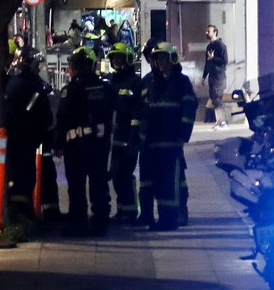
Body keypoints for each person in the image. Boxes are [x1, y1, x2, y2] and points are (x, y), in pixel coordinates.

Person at [54, 46, 114, 237]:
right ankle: (100, 222)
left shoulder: (71, 89)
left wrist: (58, 143)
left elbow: (62, 118)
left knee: (76, 186)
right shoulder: (104, 87)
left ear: (75, 68)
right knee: (98, 183)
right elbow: (112, 114)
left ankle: (78, 223)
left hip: (76, 146)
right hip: (98, 145)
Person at [138, 42, 197, 231]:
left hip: (171, 142)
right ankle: (164, 219)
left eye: (163, 58)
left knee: (169, 183)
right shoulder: (153, 83)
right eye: (158, 59)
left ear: (172, 59)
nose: (160, 62)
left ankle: (169, 220)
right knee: (159, 184)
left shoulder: (181, 82)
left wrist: (183, 135)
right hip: (154, 142)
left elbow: (189, 109)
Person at [3, 48, 53, 224]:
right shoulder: (29, 85)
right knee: (25, 176)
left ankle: (24, 211)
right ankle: (22, 213)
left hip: (20, 137)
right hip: (24, 138)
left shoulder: (16, 82)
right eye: (37, 64)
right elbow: (37, 111)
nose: (39, 68)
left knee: (22, 175)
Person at [106, 42, 143, 224]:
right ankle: (122, 210)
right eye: (114, 58)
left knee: (125, 174)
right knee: (116, 175)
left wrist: (133, 138)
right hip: (115, 137)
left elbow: (137, 112)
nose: (116, 61)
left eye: (119, 57)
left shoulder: (134, 82)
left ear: (127, 59)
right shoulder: (112, 82)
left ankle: (131, 211)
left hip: (128, 136)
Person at [202, 25, 229, 129]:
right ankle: (219, 121)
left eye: (208, 31)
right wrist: (204, 76)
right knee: (214, 99)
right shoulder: (209, 47)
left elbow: (224, 60)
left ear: (215, 32)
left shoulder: (221, 46)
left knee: (217, 99)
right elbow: (207, 63)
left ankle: (223, 122)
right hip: (212, 76)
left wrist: (213, 58)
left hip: (219, 76)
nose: (206, 33)